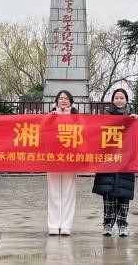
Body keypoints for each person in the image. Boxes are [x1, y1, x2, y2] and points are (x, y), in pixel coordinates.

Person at [92, 88, 138, 237]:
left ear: (126, 100)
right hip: (109, 161)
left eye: (122, 98)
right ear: (113, 100)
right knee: (108, 195)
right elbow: (96, 137)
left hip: (126, 161)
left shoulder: (133, 118)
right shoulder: (105, 117)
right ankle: (107, 224)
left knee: (124, 194)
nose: (119, 100)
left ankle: (122, 224)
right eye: (116, 98)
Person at [46, 89, 79, 236]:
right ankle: (53, 225)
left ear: (70, 101)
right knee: (53, 193)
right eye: (61, 98)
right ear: (56, 101)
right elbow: (43, 134)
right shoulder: (50, 116)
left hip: (70, 159)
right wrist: (50, 119)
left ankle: (66, 225)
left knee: (68, 192)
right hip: (53, 158)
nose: (63, 100)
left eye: (66, 98)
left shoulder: (76, 117)